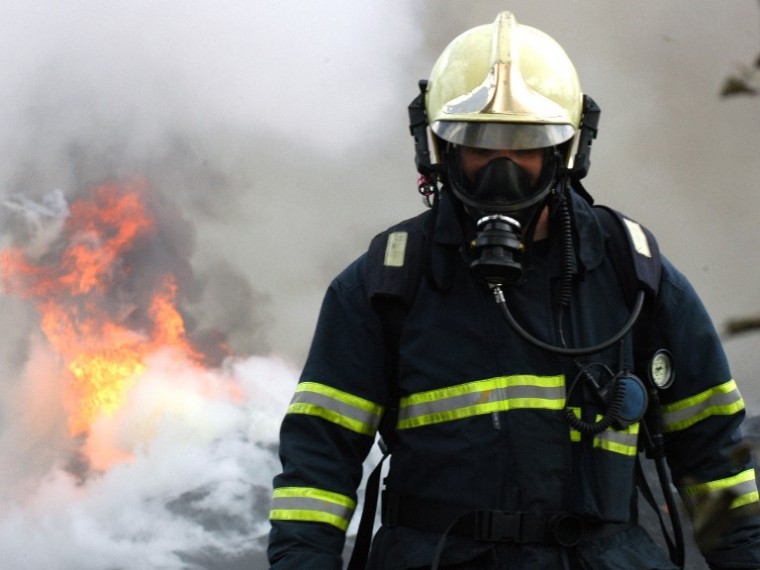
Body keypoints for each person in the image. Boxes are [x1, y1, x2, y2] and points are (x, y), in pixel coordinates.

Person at [267, 11, 760, 570]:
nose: (502, 167)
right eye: (479, 140)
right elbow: (318, 461)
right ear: (438, 148)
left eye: (524, 143)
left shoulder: (632, 272)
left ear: (566, 150)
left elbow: (713, 449)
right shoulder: (387, 282)